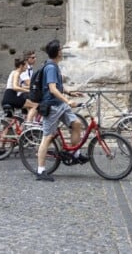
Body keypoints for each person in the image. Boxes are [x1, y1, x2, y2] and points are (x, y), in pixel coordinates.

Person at [35, 39, 84, 181]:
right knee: (47, 137)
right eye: (61, 49)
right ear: (57, 52)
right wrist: (68, 100)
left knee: (76, 124)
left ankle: (75, 154)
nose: (62, 52)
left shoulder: (55, 66)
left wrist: (70, 93)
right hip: (52, 106)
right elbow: (52, 89)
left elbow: (58, 86)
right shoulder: (50, 67)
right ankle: (40, 171)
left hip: (60, 105)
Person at [20, 50, 39, 122]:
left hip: (27, 92)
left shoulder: (30, 69)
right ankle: (29, 126)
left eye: (35, 57)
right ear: (27, 59)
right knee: (37, 106)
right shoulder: (24, 69)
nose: (35, 59)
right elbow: (30, 84)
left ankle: (30, 123)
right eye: (33, 57)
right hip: (23, 94)